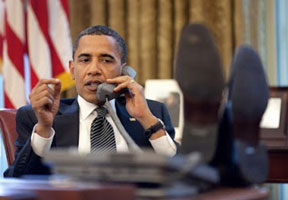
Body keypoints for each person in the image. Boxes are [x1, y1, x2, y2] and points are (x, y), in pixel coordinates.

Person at [4, 25, 177, 177]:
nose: (93, 70)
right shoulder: (37, 117)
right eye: (85, 60)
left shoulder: (151, 113)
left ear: (123, 72)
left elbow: (185, 176)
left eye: (106, 60)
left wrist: (146, 119)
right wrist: (43, 128)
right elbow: (17, 180)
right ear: (72, 70)